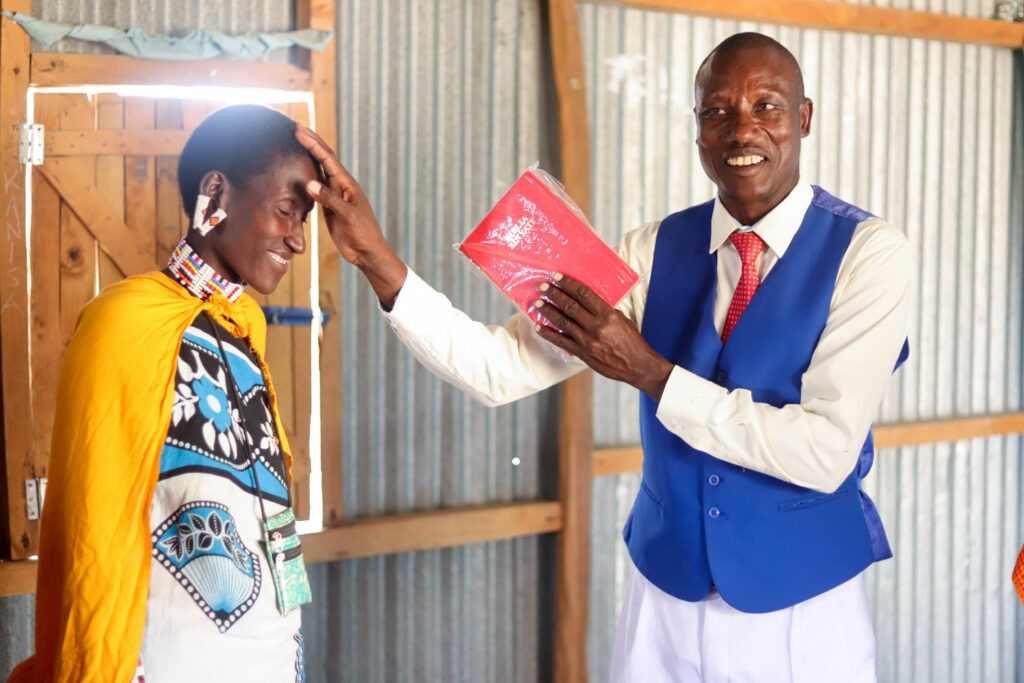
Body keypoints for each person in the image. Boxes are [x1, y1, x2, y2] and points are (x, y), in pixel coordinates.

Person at [298, 31, 910, 682]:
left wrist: (650, 371)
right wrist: (377, 261)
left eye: (767, 106)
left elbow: (824, 449)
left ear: (804, 117)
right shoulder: (651, 250)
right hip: (663, 597)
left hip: (804, 608)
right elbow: (500, 368)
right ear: (697, 128)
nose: (742, 130)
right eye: (717, 111)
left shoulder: (868, 253)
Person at [9, 104, 320, 683]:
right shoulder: (124, 323)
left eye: (303, 220)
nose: (298, 240)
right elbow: (93, 530)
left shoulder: (246, 330)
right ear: (215, 192)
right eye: (286, 211)